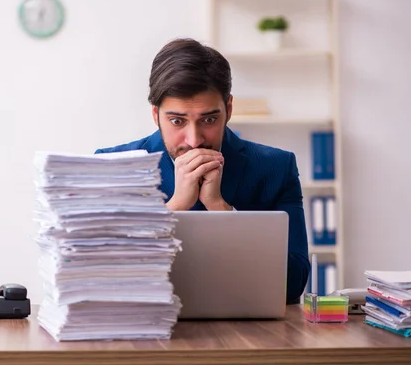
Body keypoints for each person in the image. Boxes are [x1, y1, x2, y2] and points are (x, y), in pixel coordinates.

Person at [95, 38, 310, 304]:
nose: (194, 139)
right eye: (177, 121)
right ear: (155, 115)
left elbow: (294, 284)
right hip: (145, 332)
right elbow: (100, 276)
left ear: (228, 109)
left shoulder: (276, 168)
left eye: (209, 120)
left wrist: (221, 209)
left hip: (247, 334)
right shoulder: (111, 165)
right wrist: (173, 209)